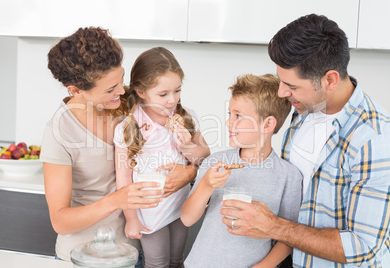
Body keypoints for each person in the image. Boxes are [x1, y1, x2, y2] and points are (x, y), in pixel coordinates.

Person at [220, 14, 390, 267]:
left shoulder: (374, 140)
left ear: (330, 79)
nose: (281, 92)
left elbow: (364, 248)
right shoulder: (304, 109)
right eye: (281, 81)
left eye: (292, 86)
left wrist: (275, 227)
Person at [40, 27, 198, 264]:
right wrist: (117, 199)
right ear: (75, 90)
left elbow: (179, 147)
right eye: (110, 89)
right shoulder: (59, 131)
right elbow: (60, 221)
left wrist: (189, 172)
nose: (121, 91)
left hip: (140, 246)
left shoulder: (131, 103)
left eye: (121, 80)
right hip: (86, 257)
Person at [181, 74, 302, 268]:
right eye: (229, 114)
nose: (228, 122)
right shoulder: (216, 162)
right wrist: (206, 185)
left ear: (268, 124)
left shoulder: (289, 177)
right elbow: (187, 219)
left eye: (238, 116)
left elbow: (287, 238)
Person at [113, 46, 210, 268]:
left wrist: (186, 145)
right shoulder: (128, 127)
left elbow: (205, 157)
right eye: (163, 94)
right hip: (148, 213)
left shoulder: (187, 117)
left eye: (177, 91)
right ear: (140, 91)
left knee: (176, 261)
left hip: (180, 206)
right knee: (157, 264)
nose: (172, 100)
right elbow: (124, 179)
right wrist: (131, 219)